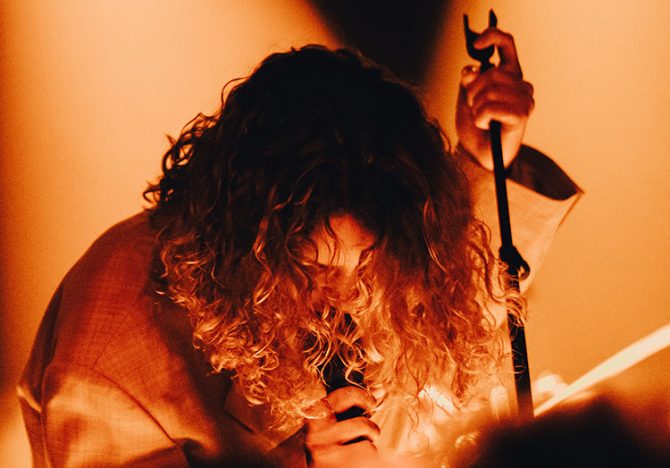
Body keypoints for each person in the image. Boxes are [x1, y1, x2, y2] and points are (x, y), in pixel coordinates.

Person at [18, 28, 580, 467]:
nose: (349, 297)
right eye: (315, 267)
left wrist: (483, 162)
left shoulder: (370, 268)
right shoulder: (107, 363)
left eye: (370, 261)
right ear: (245, 245)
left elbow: (442, 308)